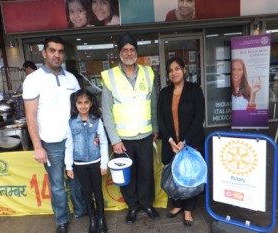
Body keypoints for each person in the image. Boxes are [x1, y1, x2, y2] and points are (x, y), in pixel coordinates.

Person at [22, 36, 80, 233]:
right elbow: (30, 116)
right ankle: (62, 220)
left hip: (73, 139)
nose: (57, 55)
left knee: (76, 179)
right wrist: (37, 146)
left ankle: (80, 211)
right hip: (51, 143)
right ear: (44, 53)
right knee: (57, 185)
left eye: (60, 51)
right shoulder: (33, 79)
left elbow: (80, 109)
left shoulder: (71, 78)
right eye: (53, 50)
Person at [101, 32, 160, 225]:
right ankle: (132, 206)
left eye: (132, 49)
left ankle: (147, 204)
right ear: (119, 53)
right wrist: (114, 140)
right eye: (125, 50)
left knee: (146, 172)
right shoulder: (110, 76)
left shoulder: (147, 73)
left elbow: (153, 104)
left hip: (145, 135)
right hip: (123, 139)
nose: (128, 53)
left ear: (136, 52)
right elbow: (107, 112)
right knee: (128, 174)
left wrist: (156, 128)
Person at [157, 56, 205, 227]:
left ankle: (188, 210)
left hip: (191, 142)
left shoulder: (194, 90)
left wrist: (185, 141)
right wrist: (170, 140)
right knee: (173, 176)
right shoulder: (164, 93)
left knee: (189, 175)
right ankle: (177, 205)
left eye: (177, 68)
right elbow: (160, 119)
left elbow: (199, 117)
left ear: (184, 70)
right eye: (170, 70)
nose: (174, 72)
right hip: (171, 144)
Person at [65, 89, 109, 233]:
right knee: (86, 191)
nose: (83, 106)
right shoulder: (71, 123)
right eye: (79, 103)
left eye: (86, 102)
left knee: (97, 190)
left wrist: (104, 164)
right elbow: (69, 144)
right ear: (75, 104)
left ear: (91, 103)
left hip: (95, 162)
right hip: (79, 164)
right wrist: (69, 166)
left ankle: (101, 218)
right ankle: (93, 219)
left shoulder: (97, 121)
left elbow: (103, 142)